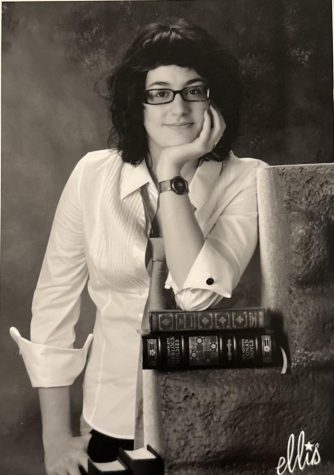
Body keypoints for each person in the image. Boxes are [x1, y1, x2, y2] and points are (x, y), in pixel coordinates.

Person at [10, 19, 266, 475]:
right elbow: (54, 305)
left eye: (195, 89)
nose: (179, 107)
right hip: (106, 420)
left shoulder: (249, 179)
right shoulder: (92, 175)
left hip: (210, 419)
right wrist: (55, 439)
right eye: (160, 92)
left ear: (215, 98)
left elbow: (195, 297)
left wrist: (172, 178)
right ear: (138, 103)